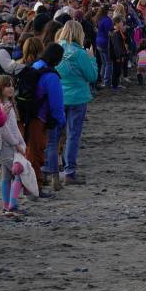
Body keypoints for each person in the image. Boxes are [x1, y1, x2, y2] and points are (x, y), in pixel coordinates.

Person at [46, 21, 98, 186]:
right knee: (73, 134)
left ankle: (50, 170)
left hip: (58, 96)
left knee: (54, 136)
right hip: (77, 97)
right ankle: (69, 171)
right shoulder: (80, 53)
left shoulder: (55, 49)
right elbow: (92, 76)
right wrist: (92, 59)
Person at [17, 43, 65, 194]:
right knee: (37, 153)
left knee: (29, 150)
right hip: (40, 116)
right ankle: (34, 188)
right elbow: (56, 103)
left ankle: (29, 185)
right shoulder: (51, 76)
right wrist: (60, 121)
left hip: (25, 114)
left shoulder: (35, 66)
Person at [0, 75, 27, 215]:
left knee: (7, 176)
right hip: (6, 147)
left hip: (12, 145)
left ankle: (6, 205)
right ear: (0, 88)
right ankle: (12, 204)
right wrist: (16, 144)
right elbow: (3, 129)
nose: (11, 88)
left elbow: (14, 127)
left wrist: (21, 142)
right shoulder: (2, 107)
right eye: (7, 86)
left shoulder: (10, 105)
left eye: (12, 85)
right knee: (20, 172)